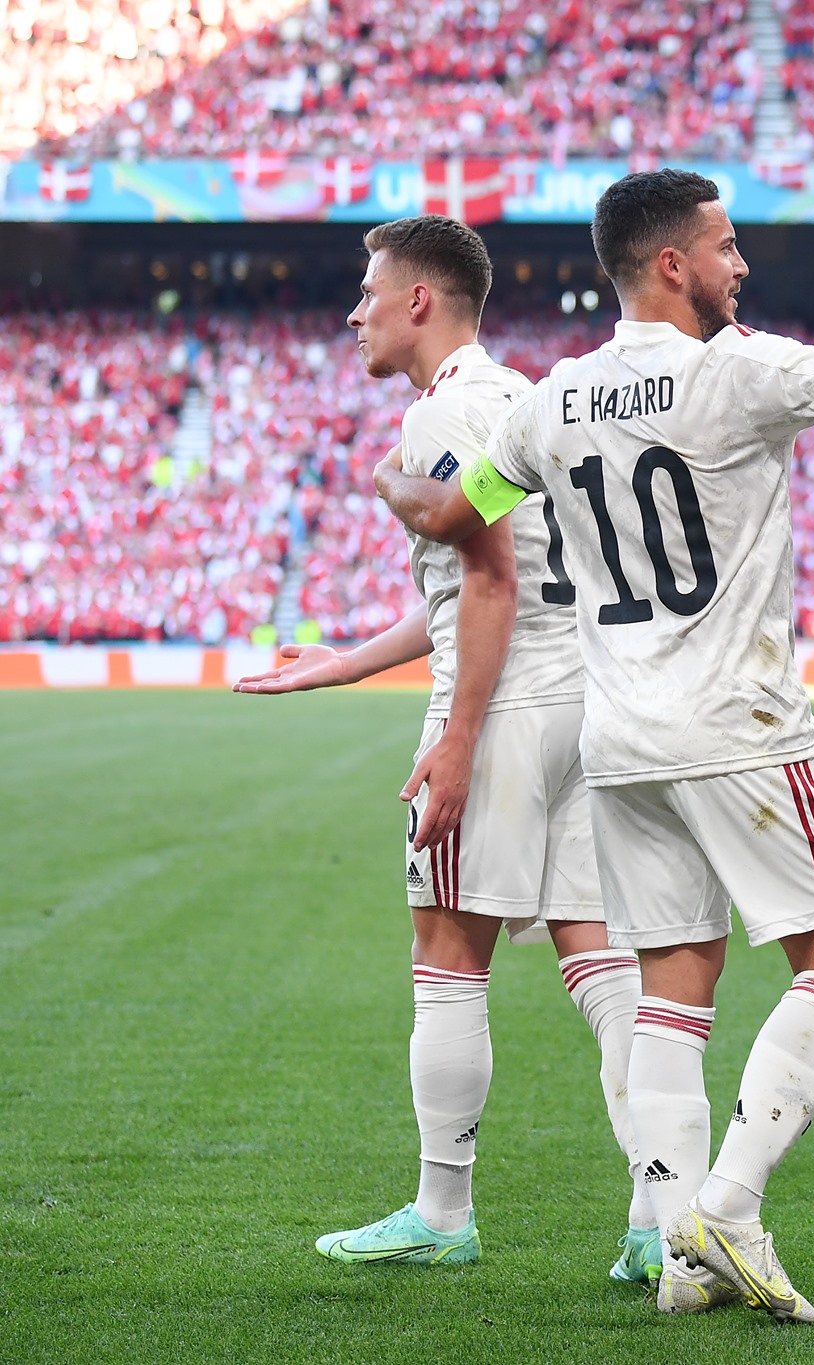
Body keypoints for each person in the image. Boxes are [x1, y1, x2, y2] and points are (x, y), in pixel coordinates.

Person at [372, 160, 814, 1323]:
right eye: (726, 245)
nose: (740, 265)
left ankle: (682, 1260)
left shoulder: (553, 399)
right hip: (740, 725)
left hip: (622, 739)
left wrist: (396, 481)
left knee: (671, 991)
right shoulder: (732, 370)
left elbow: (445, 516)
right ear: (671, 262)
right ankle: (726, 1209)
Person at [233, 215, 651, 1278]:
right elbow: (485, 577)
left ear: (418, 300)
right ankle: (660, 1219)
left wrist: (459, 738)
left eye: (368, 293)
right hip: (582, 703)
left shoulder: (443, 414)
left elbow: (489, 581)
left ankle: (442, 1213)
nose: (354, 313)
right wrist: (346, 661)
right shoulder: (523, 398)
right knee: (602, 963)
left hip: (499, 706)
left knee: (449, 961)